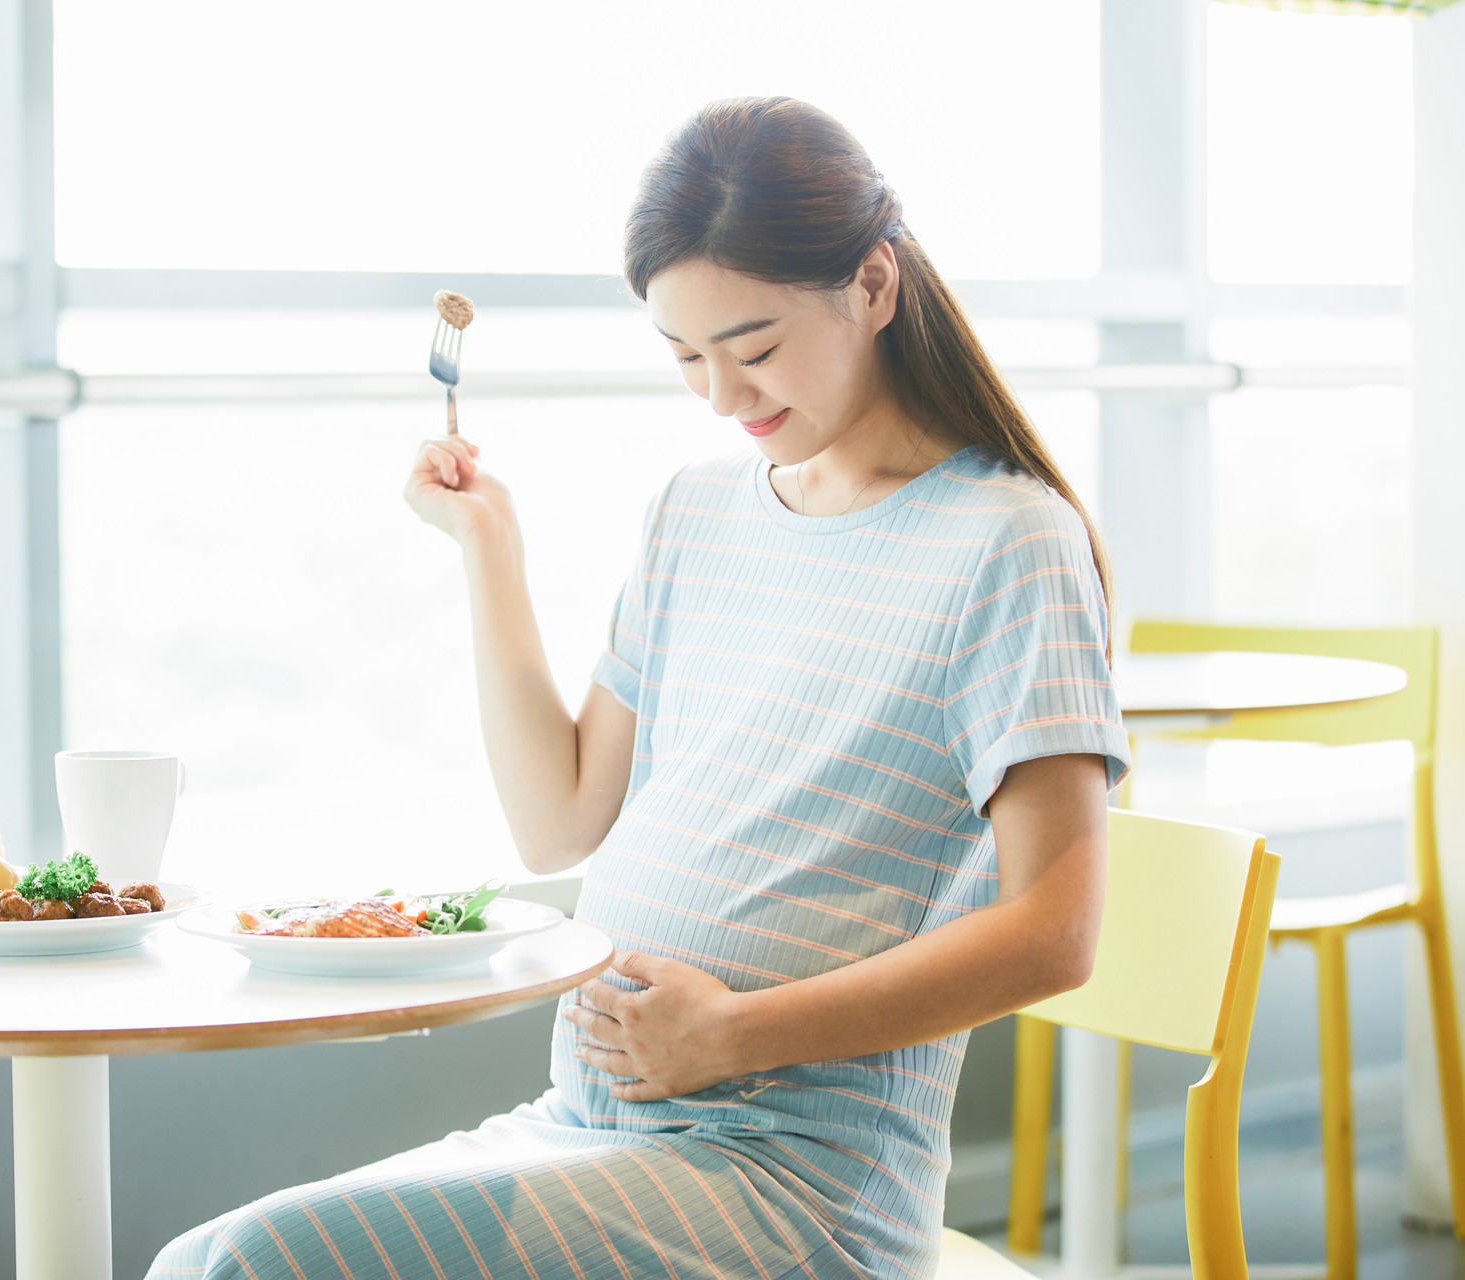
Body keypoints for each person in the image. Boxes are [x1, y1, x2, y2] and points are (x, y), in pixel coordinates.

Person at [148, 95, 1130, 1280]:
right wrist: (487, 549)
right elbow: (557, 818)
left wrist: (733, 1034)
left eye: (755, 347)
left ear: (873, 285)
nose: (723, 395)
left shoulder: (1007, 539)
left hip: (794, 1183)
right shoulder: (698, 509)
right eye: (685, 358)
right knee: (205, 1255)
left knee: (252, 1264)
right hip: (591, 1127)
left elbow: (1054, 933)